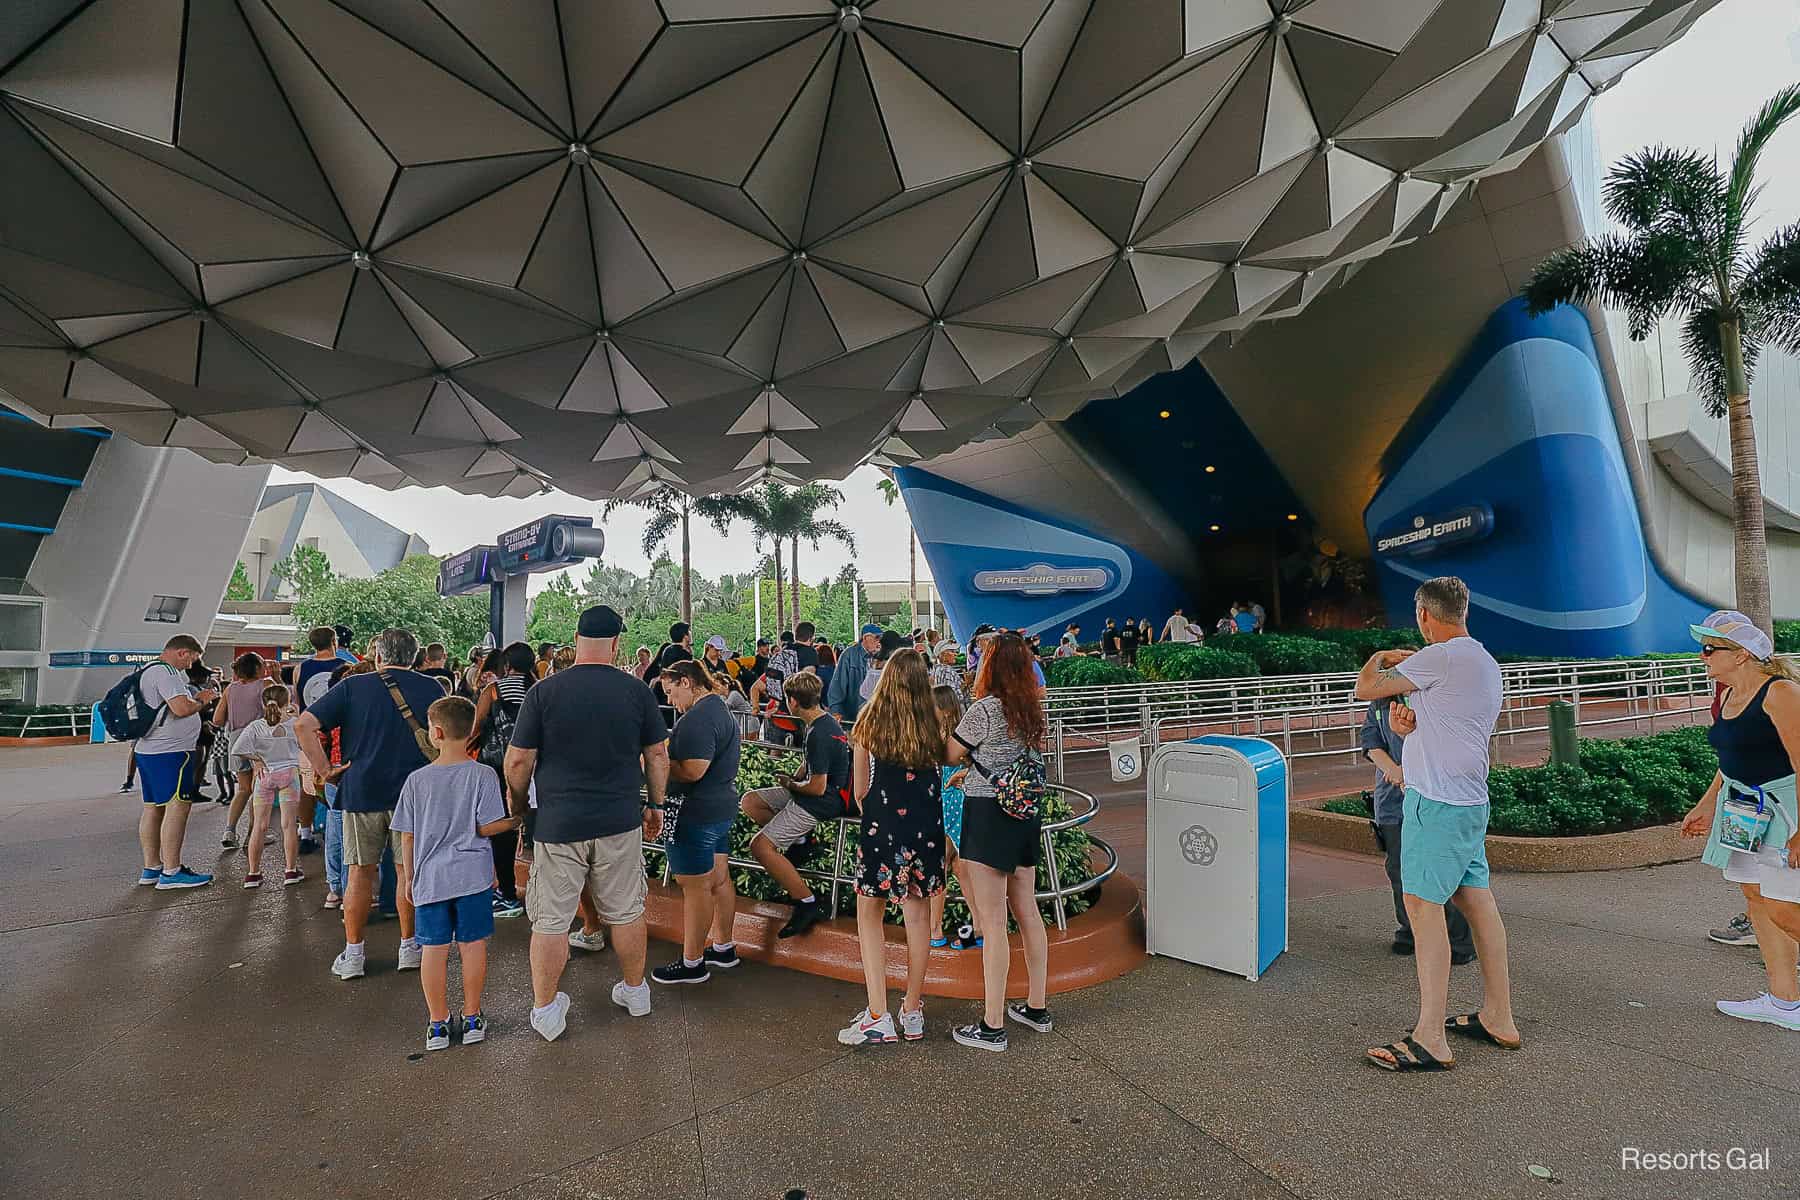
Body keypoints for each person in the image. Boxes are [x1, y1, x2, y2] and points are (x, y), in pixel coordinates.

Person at [1354, 576, 1517, 1072]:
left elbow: (1365, 688)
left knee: (1423, 910)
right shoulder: (1483, 661)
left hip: (1436, 805)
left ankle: (1429, 1037)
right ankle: (1499, 1016)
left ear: (1425, 615)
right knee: (1478, 903)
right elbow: (1452, 725)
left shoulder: (1439, 657)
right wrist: (1411, 726)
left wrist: (1382, 655)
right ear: (1462, 609)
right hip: (1468, 802)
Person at [505, 605, 668, 1042]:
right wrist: (656, 804)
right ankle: (636, 992)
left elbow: (518, 760)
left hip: (558, 824)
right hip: (619, 819)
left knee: (551, 919)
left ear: (574, 639)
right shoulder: (637, 692)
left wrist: (520, 804)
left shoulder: (544, 692)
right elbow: (657, 755)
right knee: (627, 910)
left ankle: (546, 1010)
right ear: (617, 644)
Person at [296, 627, 444, 981]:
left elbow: (303, 725)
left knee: (360, 872)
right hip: (416, 794)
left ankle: (354, 954)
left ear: (378, 655)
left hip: (361, 790)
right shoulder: (433, 689)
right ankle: (410, 946)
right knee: (408, 870)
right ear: (416, 658)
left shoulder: (352, 686)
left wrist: (325, 770)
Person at [1679, 611, 1800, 1033]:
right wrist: (1706, 804)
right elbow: (1729, 761)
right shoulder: (1727, 694)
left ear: (1744, 654)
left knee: (1785, 908)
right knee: (1756, 898)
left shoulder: (1780, 693)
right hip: (1743, 809)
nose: (1703, 656)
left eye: (1711, 649)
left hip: (1784, 807)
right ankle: (1784, 1001)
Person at [393, 695, 519, 1051]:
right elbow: (487, 827)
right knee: (472, 945)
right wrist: (516, 820)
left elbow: (407, 834)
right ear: (471, 731)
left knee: (433, 949)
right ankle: (474, 1016)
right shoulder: (482, 775)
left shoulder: (417, 781)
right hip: (472, 876)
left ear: (434, 733)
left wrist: (410, 877)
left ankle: (437, 1023)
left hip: (431, 877)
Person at [944, 632, 1050, 1050]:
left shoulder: (984, 709)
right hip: (1024, 813)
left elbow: (950, 752)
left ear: (989, 665)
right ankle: (1036, 1007)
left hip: (988, 815)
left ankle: (991, 1026)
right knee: (1027, 911)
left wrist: (965, 763)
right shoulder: (1031, 706)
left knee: (992, 921)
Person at [838, 648, 945, 1046]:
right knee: (917, 918)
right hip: (926, 831)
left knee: (870, 915)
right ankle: (913, 1010)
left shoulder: (868, 723)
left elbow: (860, 790)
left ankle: (878, 1015)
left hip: (882, 830)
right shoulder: (934, 723)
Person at [1359, 698, 1474, 963]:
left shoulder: (1431, 698)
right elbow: (1370, 741)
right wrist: (1393, 770)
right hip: (1392, 802)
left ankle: (1458, 939)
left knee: (1438, 871)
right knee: (1399, 869)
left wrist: (1409, 771)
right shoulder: (1379, 704)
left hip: (1431, 797)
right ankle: (1411, 930)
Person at [651, 661, 744, 985]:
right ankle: (723, 946)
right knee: (718, 879)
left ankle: (692, 962)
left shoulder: (699, 718)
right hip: (719, 807)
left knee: (695, 886)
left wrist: (658, 762)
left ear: (687, 682)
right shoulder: (719, 709)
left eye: (671, 691)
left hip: (695, 811)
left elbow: (692, 770)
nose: (671, 700)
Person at [740, 671, 849, 939]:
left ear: (792, 701)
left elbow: (818, 787)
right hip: (811, 793)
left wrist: (791, 784)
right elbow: (815, 764)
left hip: (821, 801)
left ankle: (807, 902)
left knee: (760, 847)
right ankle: (800, 843)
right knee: (751, 802)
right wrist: (797, 776)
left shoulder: (819, 733)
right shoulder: (820, 723)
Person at [134, 634, 219, 890]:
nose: (191, 665)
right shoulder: (167, 673)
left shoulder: (146, 670)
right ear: (182, 652)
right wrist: (203, 699)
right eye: (192, 658)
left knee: (153, 807)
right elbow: (180, 708)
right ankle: (172, 871)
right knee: (177, 806)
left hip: (148, 749)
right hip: (171, 752)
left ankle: (152, 867)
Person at [471, 641, 535, 919]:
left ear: (506, 666)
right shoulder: (538, 690)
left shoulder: (493, 690)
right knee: (536, 830)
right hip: (535, 768)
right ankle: (541, 896)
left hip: (497, 768)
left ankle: (507, 894)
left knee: (501, 829)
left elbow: (474, 729)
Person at [230, 682, 306, 889]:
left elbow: (237, 749)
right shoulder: (294, 723)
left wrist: (258, 760)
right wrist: (296, 714)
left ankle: (253, 874)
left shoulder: (256, 726)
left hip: (265, 777)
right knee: (288, 825)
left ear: (263, 703)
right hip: (289, 776)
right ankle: (290, 870)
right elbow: (306, 744)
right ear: (287, 702)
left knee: (259, 826)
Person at [930, 685, 979, 951]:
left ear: (944, 709)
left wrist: (961, 776)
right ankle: (977, 929)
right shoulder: (957, 735)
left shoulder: (950, 738)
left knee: (941, 866)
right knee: (960, 869)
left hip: (952, 809)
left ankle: (935, 930)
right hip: (952, 808)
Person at [216, 653, 266, 850]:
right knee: (258, 789)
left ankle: (230, 830)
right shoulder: (265, 685)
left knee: (243, 789)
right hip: (258, 739)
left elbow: (218, 719)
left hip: (236, 741)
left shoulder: (230, 688)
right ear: (256, 668)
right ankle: (253, 835)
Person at [825, 624, 882, 724]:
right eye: (877, 638)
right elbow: (837, 686)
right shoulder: (849, 655)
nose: (879, 642)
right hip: (853, 717)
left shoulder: (880, 656)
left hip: (875, 717)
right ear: (865, 638)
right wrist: (836, 711)